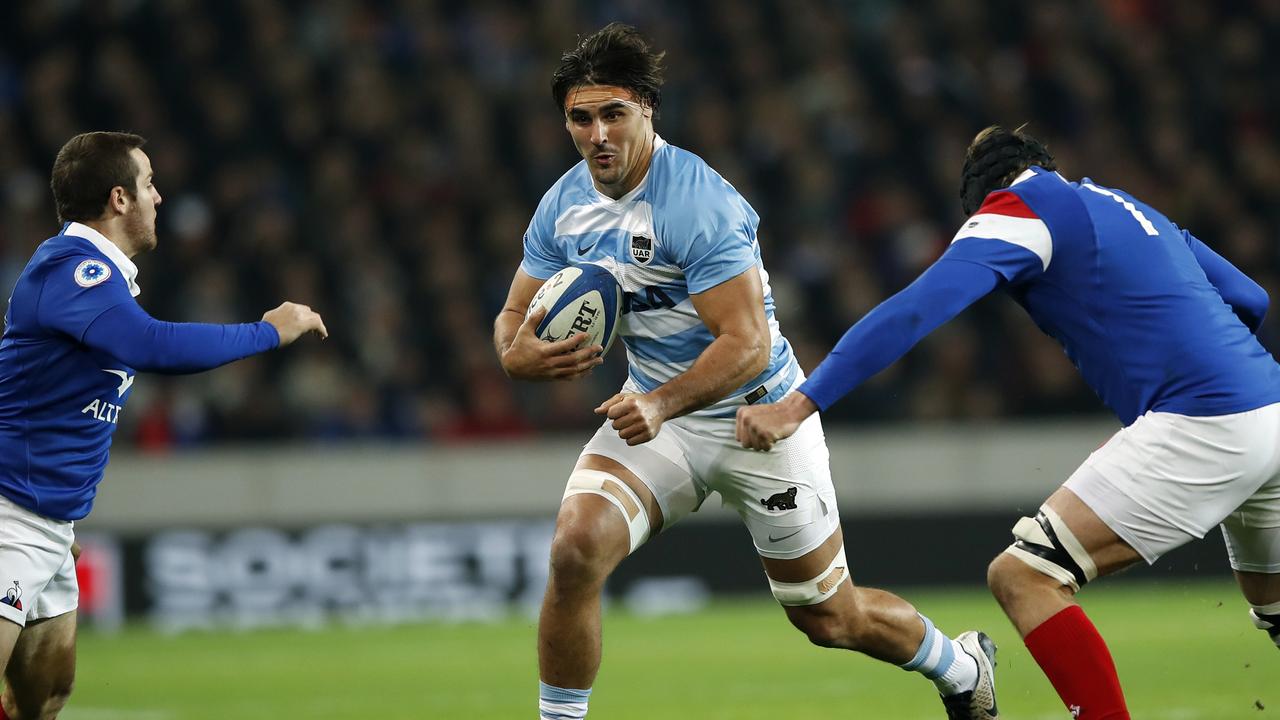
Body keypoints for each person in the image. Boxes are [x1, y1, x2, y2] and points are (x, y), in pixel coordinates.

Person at [494, 23, 998, 720]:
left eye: (614, 113)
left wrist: (664, 403)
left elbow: (748, 344)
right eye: (581, 118)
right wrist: (515, 354)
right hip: (658, 421)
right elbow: (515, 314)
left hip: (757, 417)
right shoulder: (564, 203)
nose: (597, 134)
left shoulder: (697, 201)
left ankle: (962, 663)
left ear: (646, 108)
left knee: (830, 618)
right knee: (575, 549)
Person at [737, 124, 1280, 718]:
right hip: (1270, 407)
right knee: (1274, 605)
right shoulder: (1123, 203)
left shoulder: (1020, 209)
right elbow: (1250, 298)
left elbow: (917, 309)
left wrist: (801, 401)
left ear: (980, 198)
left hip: (1204, 417)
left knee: (1023, 577)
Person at [0, 131, 328, 719]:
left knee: (45, 697)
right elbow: (152, 345)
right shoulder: (71, 270)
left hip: (47, 520)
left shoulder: (102, 283)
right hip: (9, 517)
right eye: (150, 183)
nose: (161, 197)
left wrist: (57, 510)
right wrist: (269, 329)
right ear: (120, 198)